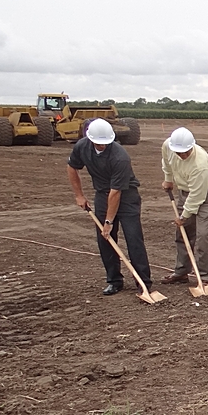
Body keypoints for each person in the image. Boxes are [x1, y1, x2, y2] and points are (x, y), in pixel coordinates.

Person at [66, 118, 153, 295]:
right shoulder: (81, 147)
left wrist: (108, 221)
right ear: (90, 139)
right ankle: (114, 280)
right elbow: (72, 167)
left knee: (133, 239)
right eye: (98, 143)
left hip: (126, 196)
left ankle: (143, 281)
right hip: (102, 195)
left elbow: (116, 193)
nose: (102, 146)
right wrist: (79, 195)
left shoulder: (120, 157)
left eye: (105, 143)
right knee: (105, 240)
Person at [161, 127, 208, 285]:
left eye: (186, 152)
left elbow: (197, 196)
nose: (183, 155)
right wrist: (168, 178)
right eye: (179, 152)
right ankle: (181, 271)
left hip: (206, 193)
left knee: (203, 235)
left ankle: (205, 277)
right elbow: (166, 162)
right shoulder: (168, 145)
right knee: (183, 232)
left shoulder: (200, 164)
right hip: (185, 190)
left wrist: (183, 216)